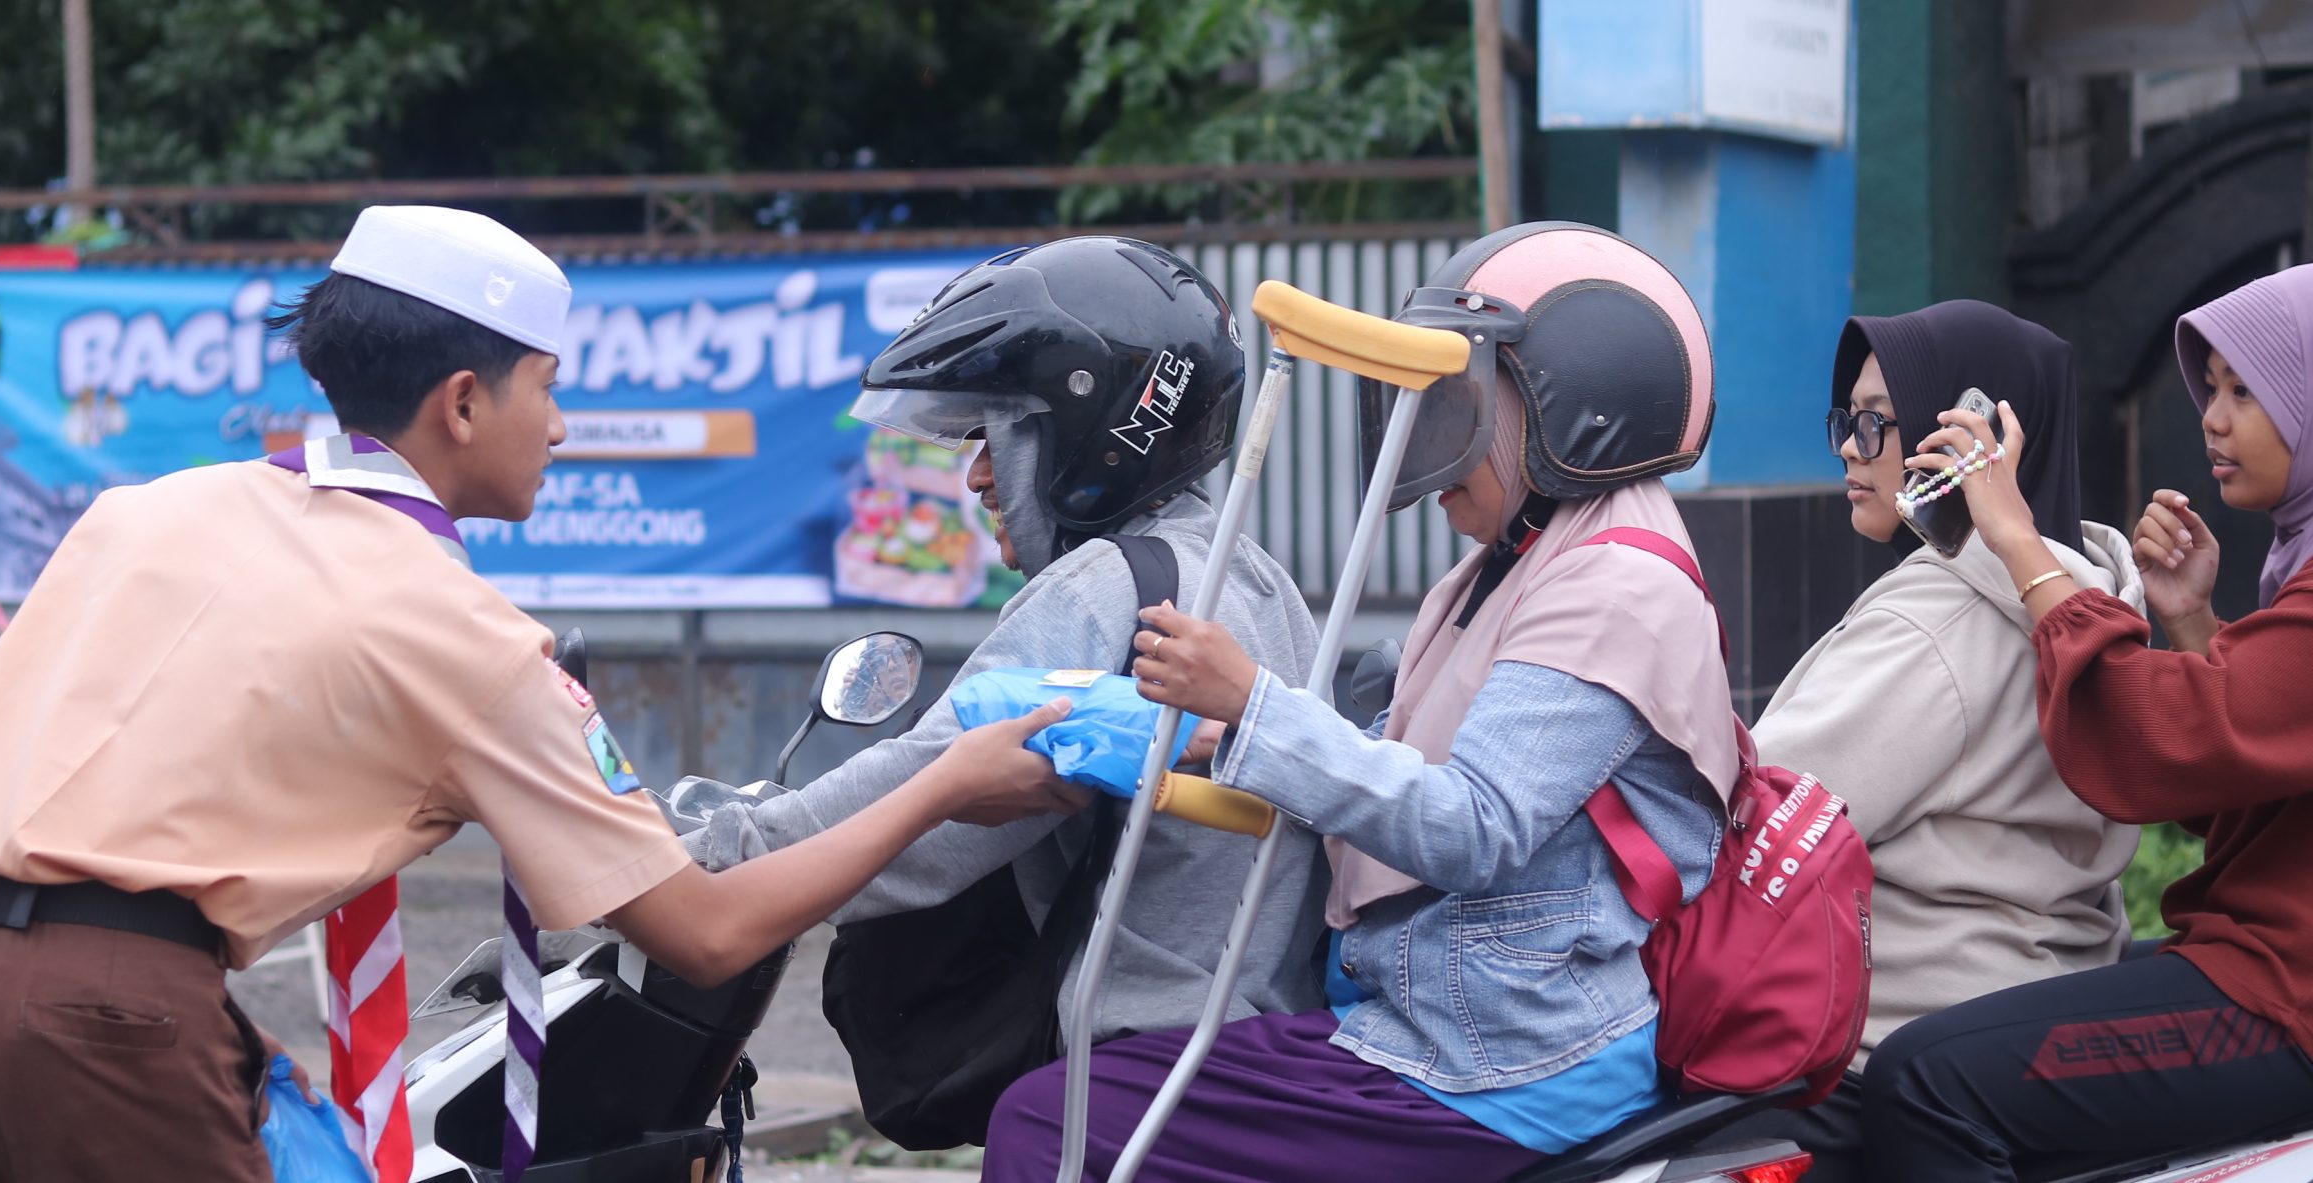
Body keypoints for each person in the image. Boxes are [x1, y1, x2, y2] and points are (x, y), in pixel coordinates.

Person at [0, 206, 1067, 1183]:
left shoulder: (147, 510)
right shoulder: (467, 635)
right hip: (111, 1018)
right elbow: (702, 930)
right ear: (464, 402)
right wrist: (943, 784)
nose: (561, 428)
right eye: (549, 386)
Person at [980, 222, 1738, 1182]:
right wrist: (1229, 737)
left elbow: (1474, 826)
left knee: (1058, 1121)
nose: (1432, 438)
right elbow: (1410, 766)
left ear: (1575, 408)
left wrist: (1257, 703)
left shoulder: (1615, 588)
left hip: (1500, 1064)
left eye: (1463, 401)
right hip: (1436, 1021)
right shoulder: (1527, 561)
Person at [686, 238, 1327, 1071]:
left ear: (1089, 434)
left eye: (1000, 435)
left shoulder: (1102, 588)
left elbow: (916, 800)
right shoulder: (1256, 578)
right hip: (1268, 1036)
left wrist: (701, 857)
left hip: (1148, 1058)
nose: (978, 476)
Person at [1859, 264, 2313, 1180]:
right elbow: (2238, 775)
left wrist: (2014, 536)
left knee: (1925, 1079)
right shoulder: (2293, 567)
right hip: (2262, 964)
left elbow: (2159, 731)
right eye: (2211, 388)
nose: (2213, 419)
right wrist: (2194, 623)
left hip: (2288, 997)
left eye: (2246, 391)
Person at [1717, 302, 2141, 1179]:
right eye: (1847, 420)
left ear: (1971, 436)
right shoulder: (2084, 601)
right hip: (2030, 1012)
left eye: (1879, 421)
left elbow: (1754, 815)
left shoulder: (1936, 627)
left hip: (1885, 1041)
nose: (1850, 447)